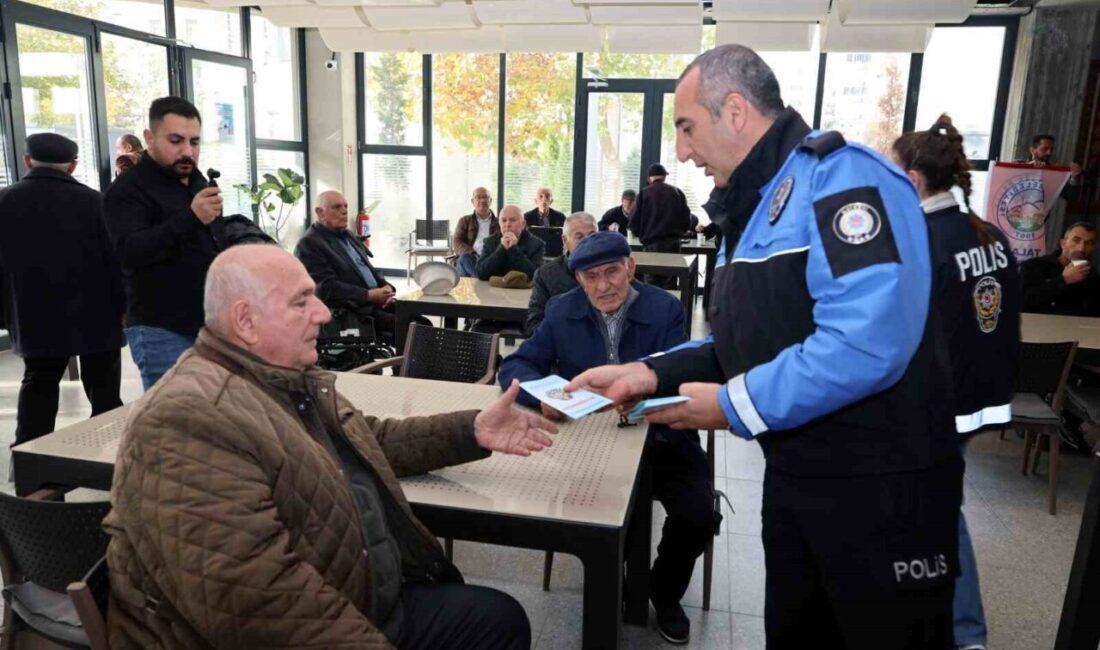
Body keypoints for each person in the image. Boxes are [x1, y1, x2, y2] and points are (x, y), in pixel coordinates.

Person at [568, 45, 961, 648]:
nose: (680, 151)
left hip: (881, 489)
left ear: (735, 110)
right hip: (798, 477)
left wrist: (731, 405)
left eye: (686, 127)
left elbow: (865, 345)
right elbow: (741, 343)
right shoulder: (750, 215)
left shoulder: (845, 180)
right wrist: (645, 373)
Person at [104, 244, 556, 650]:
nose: (322, 313)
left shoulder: (283, 380)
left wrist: (471, 429)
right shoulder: (189, 420)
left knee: (499, 621)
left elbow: (370, 439)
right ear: (245, 321)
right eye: (301, 301)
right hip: (306, 622)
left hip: (359, 595)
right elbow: (260, 605)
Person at [499, 232, 718, 644]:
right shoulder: (562, 310)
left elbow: (683, 375)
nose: (603, 286)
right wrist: (544, 397)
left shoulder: (665, 308)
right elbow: (517, 366)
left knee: (698, 516)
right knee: (608, 520)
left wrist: (640, 394)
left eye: (612, 272)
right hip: (591, 443)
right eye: (591, 276)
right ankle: (614, 587)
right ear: (579, 279)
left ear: (630, 267)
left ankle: (663, 592)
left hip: (662, 436)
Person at [893, 115, 1022, 650]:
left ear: (916, 180)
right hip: (983, 396)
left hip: (939, 402)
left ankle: (965, 631)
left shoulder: (921, 240)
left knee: (936, 508)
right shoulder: (988, 234)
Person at [0, 133, 124, 448]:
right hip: (96, 313)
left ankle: (33, 474)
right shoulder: (97, 202)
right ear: (72, 166)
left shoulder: (4, 201)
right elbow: (116, 261)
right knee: (104, 393)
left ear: (28, 160)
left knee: (38, 387)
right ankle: (111, 465)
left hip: (34, 314)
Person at [103, 96, 225, 390]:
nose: (187, 151)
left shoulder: (196, 181)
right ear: (149, 137)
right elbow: (129, 252)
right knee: (173, 420)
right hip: (160, 326)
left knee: (213, 416)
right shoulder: (129, 190)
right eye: (176, 140)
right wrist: (191, 217)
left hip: (208, 322)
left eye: (194, 142)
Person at [295, 190, 398, 344]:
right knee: (412, 328)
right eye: (337, 207)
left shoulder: (348, 235)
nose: (344, 211)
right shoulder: (310, 243)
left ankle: (408, 366)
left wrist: (386, 287)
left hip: (375, 302)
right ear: (320, 212)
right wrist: (369, 295)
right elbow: (325, 288)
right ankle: (404, 366)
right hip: (352, 312)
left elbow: (368, 268)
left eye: (345, 206)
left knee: (417, 319)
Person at [525, 212, 597, 336]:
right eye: (579, 237)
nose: (587, 243)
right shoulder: (546, 275)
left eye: (592, 236)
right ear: (565, 240)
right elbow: (534, 325)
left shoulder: (610, 270)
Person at [629, 164, 690, 288]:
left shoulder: (643, 194)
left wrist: (639, 234)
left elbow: (633, 220)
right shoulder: (677, 192)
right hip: (673, 245)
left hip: (651, 245)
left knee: (651, 282)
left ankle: (652, 307)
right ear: (664, 177)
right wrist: (682, 232)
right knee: (670, 281)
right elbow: (686, 219)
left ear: (649, 178)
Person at [1021, 221, 1100, 316]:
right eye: (1076, 240)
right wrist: (1064, 280)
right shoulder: (1034, 266)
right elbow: (1023, 300)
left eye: (1088, 243)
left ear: (1093, 248)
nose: (1081, 248)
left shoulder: (1091, 274)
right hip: (1038, 326)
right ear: (1063, 243)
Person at [475, 205, 545, 281]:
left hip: (523, 291)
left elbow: (536, 276)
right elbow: (480, 273)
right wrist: (501, 249)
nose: (507, 225)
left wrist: (513, 249)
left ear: (523, 224)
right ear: (499, 223)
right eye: (503, 220)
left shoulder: (537, 244)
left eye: (512, 220)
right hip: (495, 289)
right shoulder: (490, 241)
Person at [453, 187, 498, 277]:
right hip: (471, 257)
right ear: (472, 201)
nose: (482, 200)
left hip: (489, 260)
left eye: (485, 197)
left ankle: (473, 284)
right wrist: (472, 253)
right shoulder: (465, 220)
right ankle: (480, 279)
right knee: (464, 259)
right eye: (478, 197)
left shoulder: (499, 222)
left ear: (490, 200)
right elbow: (457, 242)